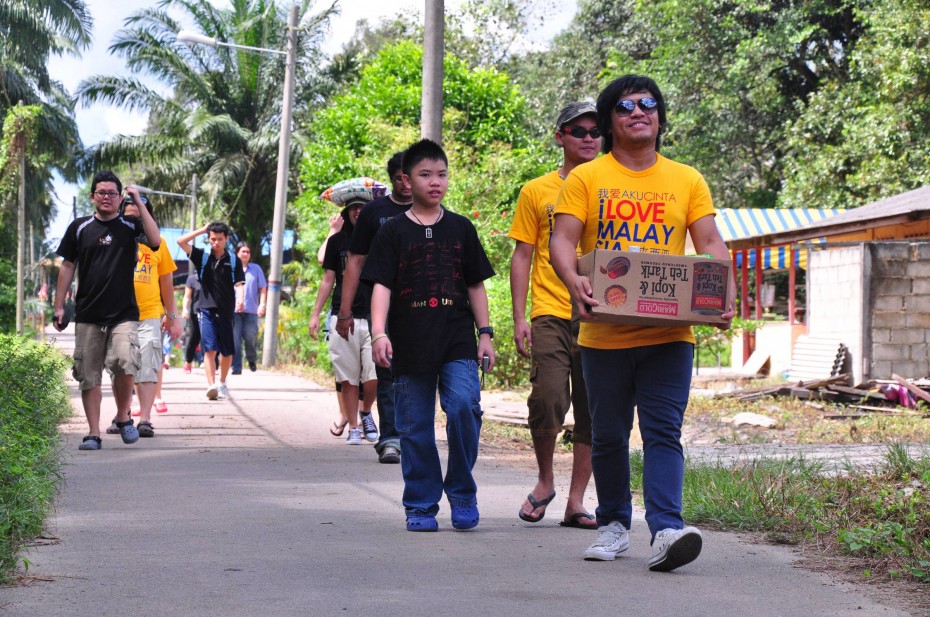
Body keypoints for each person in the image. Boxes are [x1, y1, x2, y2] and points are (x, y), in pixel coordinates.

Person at [550, 75, 735, 571]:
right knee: (608, 435)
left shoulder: (686, 179)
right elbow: (562, 241)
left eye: (649, 104)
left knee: (662, 433)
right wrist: (573, 281)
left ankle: (666, 530)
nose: (639, 111)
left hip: (669, 335)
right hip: (604, 334)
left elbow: (712, 243)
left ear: (660, 117)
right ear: (611, 120)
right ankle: (613, 525)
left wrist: (720, 294)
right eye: (627, 105)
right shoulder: (587, 178)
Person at [362, 139, 496, 532]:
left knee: (463, 409)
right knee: (414, 426)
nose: (435, 182)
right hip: (408, 343)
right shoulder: (392, 232)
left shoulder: (461, 227)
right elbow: (381, 286)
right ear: (406, 179)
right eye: (425, 175)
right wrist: (379, 334)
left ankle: (462, 492)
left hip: (457, 339)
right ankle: (420, 504)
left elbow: (475, 285)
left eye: (441, 174)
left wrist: (485, 333)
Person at [510, 101, 600, 529]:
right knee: (547, 398)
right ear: (560, 136)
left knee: (593, 408)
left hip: (603, 314)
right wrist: (517, 317)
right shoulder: (537, 190)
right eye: (578, 131)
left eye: (595, 131)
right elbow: (523, 254)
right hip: (549, 309)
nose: (588, 138)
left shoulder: (613, 185)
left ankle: (577, 501)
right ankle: (546, 480)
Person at [53, 171, 161, 450]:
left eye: (112, 193)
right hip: (88, 313)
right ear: (93, 197)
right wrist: (59, 305)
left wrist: (137, 199)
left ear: (120, 197)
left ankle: (124, 416)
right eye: (101, 192)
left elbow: (155, 239)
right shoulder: (79, 227)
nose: (106, 198)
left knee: (126, 362)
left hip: (124, 313)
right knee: (89, 375)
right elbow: (67, 266)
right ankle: (92, 433)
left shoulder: (129, 226)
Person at [335, 152, 412, 464]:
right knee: (388, 373)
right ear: (391, 180)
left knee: (420, 373)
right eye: (400, 179)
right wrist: (344, 311)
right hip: (381, 307)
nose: (406, 185)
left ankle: (415, 436)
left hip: (425, 308)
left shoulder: (436, 211)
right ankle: (391, 437)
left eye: (412, 177)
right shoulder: (374, 213)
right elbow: (354, 263)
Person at [105, 198, 183, 438]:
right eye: (127, 215)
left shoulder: (158, 244)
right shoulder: (113, 241)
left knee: (147, 365)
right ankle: (123, 415)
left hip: (149, 314)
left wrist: (172, 315)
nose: (133, 220)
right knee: (120, 367)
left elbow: (167, 282)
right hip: (118, 314)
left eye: (138, 216)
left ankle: (145, 419)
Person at [309, 198, 379, 445]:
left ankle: (366, 412)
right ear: (347, 211)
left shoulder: (379, 237)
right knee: (348, 376)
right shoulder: (337, 242)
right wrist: (316, 314)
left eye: (362, 207)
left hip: (374, 315)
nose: (358, 211)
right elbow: (328, 279)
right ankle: (352, 427)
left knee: (373, 374)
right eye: (353, 208)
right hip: (342, 315)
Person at [177, 222, 245, 400]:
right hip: (205, 309)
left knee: (227, 352)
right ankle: (211, 385)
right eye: (213, 239)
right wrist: (202, 230)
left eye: (220, 239)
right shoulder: (202, 257)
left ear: (226, 239)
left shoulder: (233, 260)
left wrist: (241, 300)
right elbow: (180, 241)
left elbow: (239, 284)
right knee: (210, 349)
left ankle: (222, 382)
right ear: (209, 239)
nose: (216, 242)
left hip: (226, 310)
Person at [231, 241, 268, 374]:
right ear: (237, 253)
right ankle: (236, 367)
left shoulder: (256, 269)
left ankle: (251, 358)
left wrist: (262, 305)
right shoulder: (231, 268)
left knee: (250, 337)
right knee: (235, 340)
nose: (246, 254)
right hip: (234, 311)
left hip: (251, 310)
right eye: (243, 251)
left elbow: (263, 288)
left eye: (248, 252)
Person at [182, 268, 202, 372]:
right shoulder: (192, 279)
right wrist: (185, 309)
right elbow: (187, 296)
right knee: (194, 339)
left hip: (209, 312)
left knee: (210, 338)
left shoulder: (212, 277)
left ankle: (212, 364)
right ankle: (188, 361)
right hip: (195, 313)